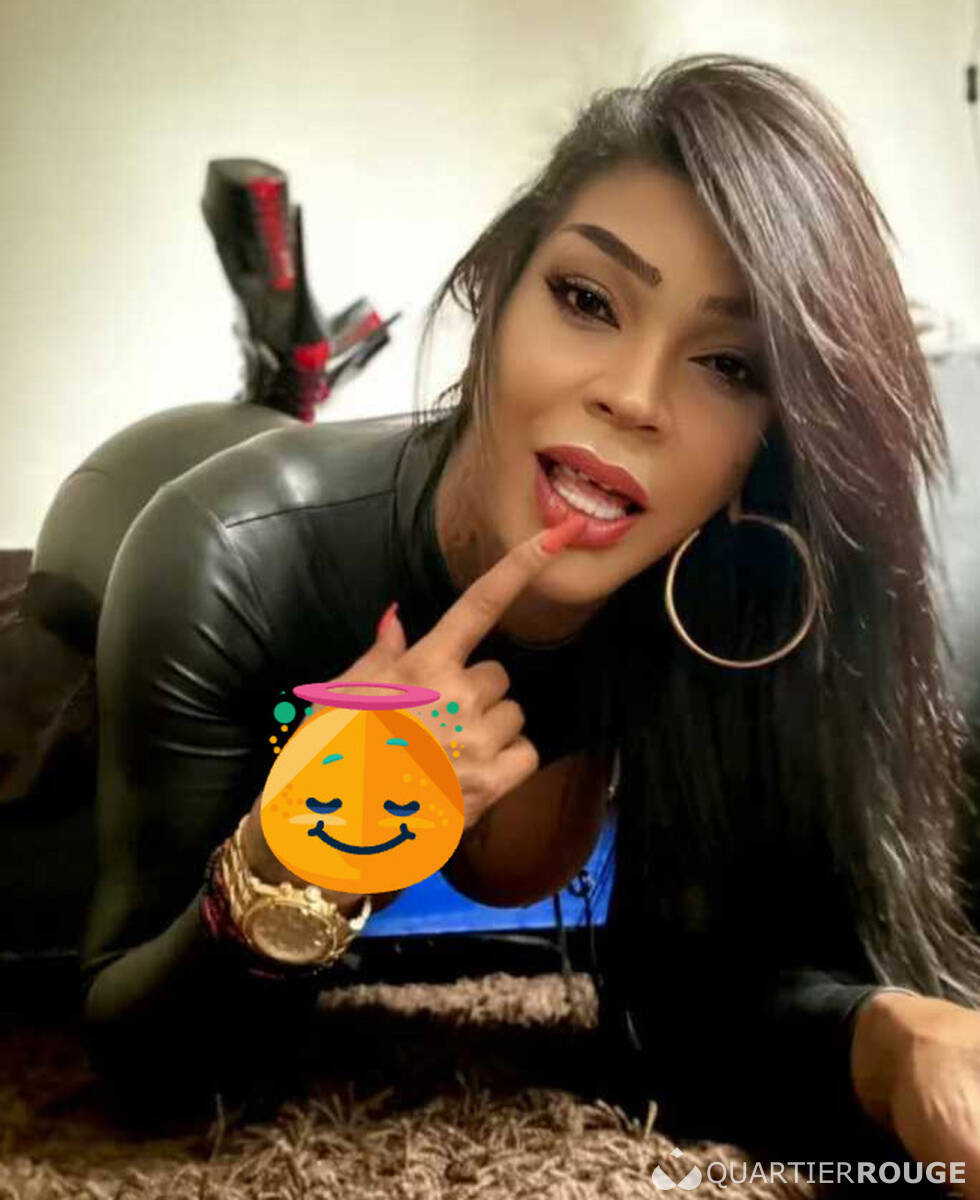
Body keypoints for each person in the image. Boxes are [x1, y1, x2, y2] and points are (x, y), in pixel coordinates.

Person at [65, 50, 980, 1179]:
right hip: (122, 521)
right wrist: (315, 845)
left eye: (728, 363)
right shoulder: (225, 559)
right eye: (587, 301)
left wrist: (894, 1040)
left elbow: (708, 1002)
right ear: (493, 294)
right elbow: (146, 1070)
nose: (632, 397)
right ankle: (280, 380)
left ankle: (292, 369)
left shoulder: (743, 590)